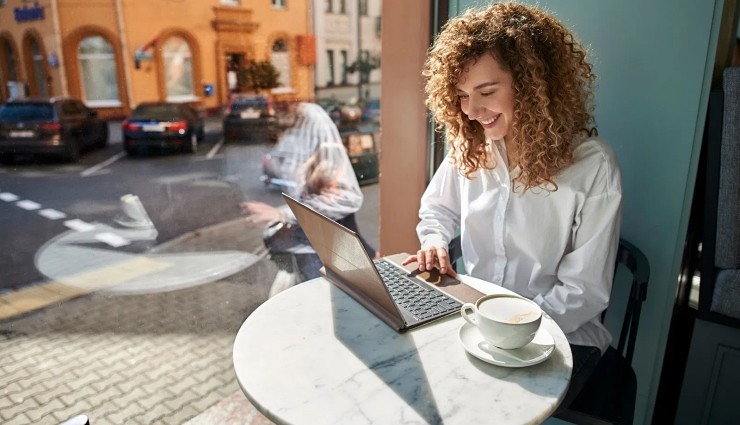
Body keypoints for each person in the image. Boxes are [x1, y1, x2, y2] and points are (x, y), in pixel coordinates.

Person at [401, 1, 623, 411]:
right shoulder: (470, 147)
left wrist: (507, 325)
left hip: (560, 336)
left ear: (534, 84)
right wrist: (433, 240)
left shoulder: (593, 167)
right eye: (463, 96)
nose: (471, 110)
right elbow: (438, 209)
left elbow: (585, 292)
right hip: (478, 321)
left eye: (487, 92)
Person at [242, 101, 375, 284]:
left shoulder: (326, 170)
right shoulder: (303, 169)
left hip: (337, 265)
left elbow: (345, 199)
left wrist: (283, 214)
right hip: (317, 263)